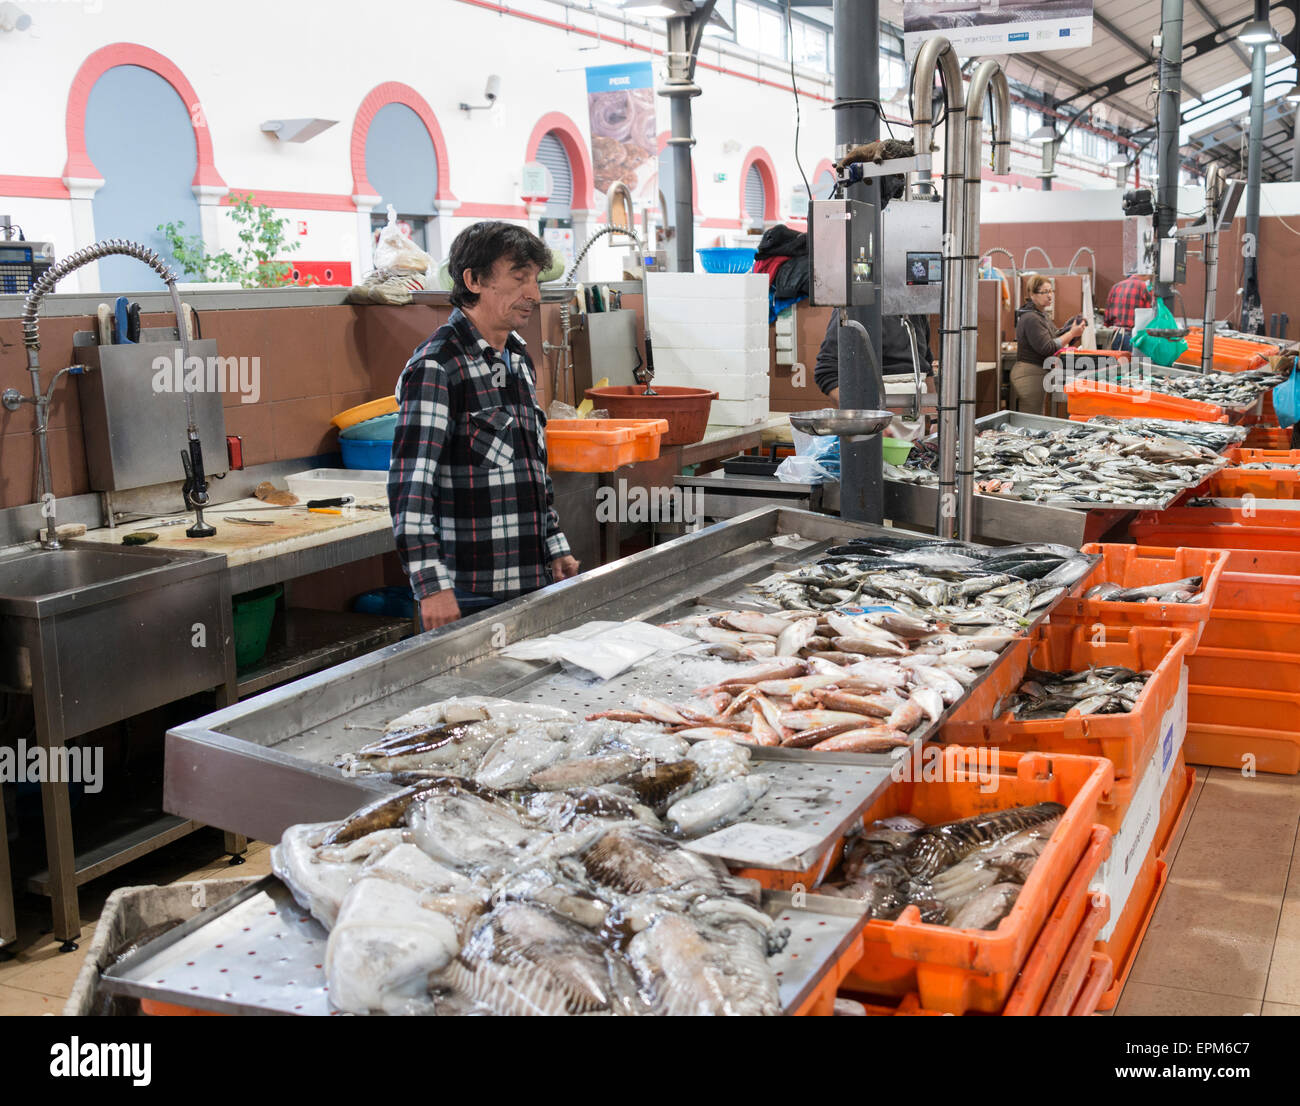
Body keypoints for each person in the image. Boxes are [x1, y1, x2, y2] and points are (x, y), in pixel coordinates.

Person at [389, 221, 580, 630]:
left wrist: (554, 546)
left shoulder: (516, 358)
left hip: (531, 581)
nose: (533, 292)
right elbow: (411, 489)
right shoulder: (437, 365)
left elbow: (532, 471)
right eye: (519, 277)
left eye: (535, 278)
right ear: (473, 280)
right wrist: (431, 586)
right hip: (467, 592)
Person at [813, 310, 936, 406]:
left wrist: (935, 419)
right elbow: (827, 373)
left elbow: (926, 367)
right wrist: (866, 421)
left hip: (915, 423)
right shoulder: (856, 307)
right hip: (873, 421)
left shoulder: (917, 312)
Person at [1011, 276, 1086, 415]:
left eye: (1051, 291)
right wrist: (1071, 334)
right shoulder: (1031, 318)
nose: (1049, 295)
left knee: (1036, 416)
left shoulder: (1040, 315)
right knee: (1031, 419)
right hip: (1030, 374)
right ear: (1032, 294)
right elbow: (1048, 347)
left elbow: (1055, 338)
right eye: (1044, 292)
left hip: (1037, 372)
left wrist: (1071, 330)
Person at [1103, 271, 1154, 350]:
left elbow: (1106, 319)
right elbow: (1151, 318)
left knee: (1116, 362)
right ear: (1146, 274)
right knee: (1139, 362)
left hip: (1115, 336)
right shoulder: (1145, 288)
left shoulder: (1116, 287)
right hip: (1135, 338)